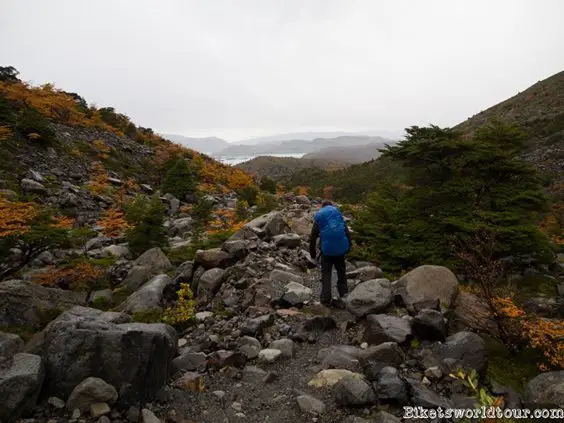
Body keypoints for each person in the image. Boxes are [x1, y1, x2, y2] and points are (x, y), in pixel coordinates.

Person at [309, 200, 352, 307]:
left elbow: (313, 237)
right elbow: (346, 232)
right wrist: (348, 246)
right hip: (340, 249)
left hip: (326, 250)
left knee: (326, 273)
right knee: (341, 271)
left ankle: (325, 298)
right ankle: (344, 293)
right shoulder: (338, 215)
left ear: (322, 207)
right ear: (331, 206)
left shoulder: (320, 217)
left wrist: (313, 253)